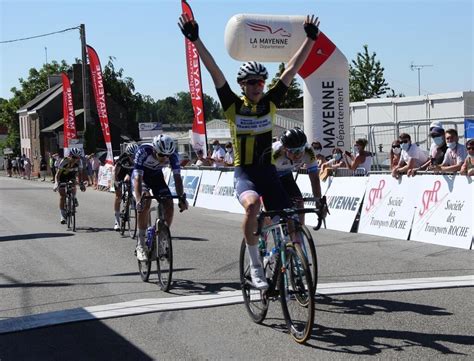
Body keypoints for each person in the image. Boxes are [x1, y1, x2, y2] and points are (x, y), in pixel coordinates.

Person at [179, 12, 321, 289]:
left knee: (291, 215)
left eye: (261, 82)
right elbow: (215, 72)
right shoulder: (233, 105)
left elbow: (290, 69)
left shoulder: (269, 104)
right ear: (243, 85)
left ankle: (290, 261)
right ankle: (256, 267)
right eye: (252, 82)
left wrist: (309, 40)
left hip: (269, 173)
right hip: (245, 174)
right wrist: (196, 41)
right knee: (254, 205)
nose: (258, 86)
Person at [132, 134, 188, 261]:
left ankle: (162, 238)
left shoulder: (172, 156)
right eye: (161, 155)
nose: (165, 158)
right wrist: (139, 199)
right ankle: (140, 244)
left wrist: (181, 197)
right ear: (154, 150)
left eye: (167, 156)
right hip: (141, 178)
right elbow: (137, 178)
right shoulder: (143, 152)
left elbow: (177, 178)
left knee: (169, 203)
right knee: (144, 202)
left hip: (157, 178)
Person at [273, 128, 322, 224]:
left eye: (300, 150)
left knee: (299, 203)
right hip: (269, 174)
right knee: (273, 209)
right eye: (293, 151)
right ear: (284, 149)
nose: (298, 154)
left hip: (286, 174)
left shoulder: (309, 151)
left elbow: (315, 179)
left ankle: (300, 231)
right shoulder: (275, 153)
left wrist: (318, 202)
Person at [53, 147, 86, 224]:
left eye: (77, 157)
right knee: (62, 196)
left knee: (73, 184)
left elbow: (81, 174)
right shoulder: (64, 161)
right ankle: (62, 215)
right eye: (74, 157)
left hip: (71, 175)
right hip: (62, 177)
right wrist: (56, 183)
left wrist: (81, 183)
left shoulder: (79, 162)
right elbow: (57, 174)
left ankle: (73, 197)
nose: (76, 159)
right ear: (70, 156)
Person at [113, 143, 138, 230]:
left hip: (130, 172)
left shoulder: (138, 158)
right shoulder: (123, 158)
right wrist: (116, 181)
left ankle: (131, 199)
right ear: (127, 154)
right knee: (118, 196)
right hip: (120, 174)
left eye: (134, 155)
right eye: (131, 155)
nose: (133, 157)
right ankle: (116, 220)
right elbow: (116, 171)